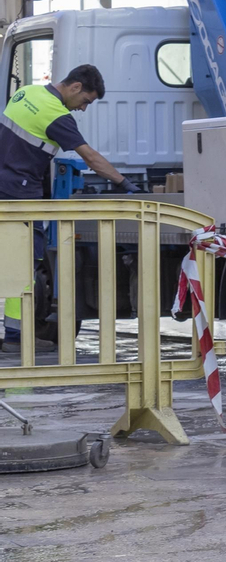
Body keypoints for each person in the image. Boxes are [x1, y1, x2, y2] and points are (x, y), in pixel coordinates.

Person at [0, 64, 140, 353]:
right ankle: (15, 338)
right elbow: (91, 158)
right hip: (19, 193)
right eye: (86, 100)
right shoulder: (57, 115)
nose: (83, 108)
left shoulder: (26, 92)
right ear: (75, 87)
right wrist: (124, 183)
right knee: (22, 264)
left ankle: (15, 336)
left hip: (5, 186)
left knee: (11, 262)